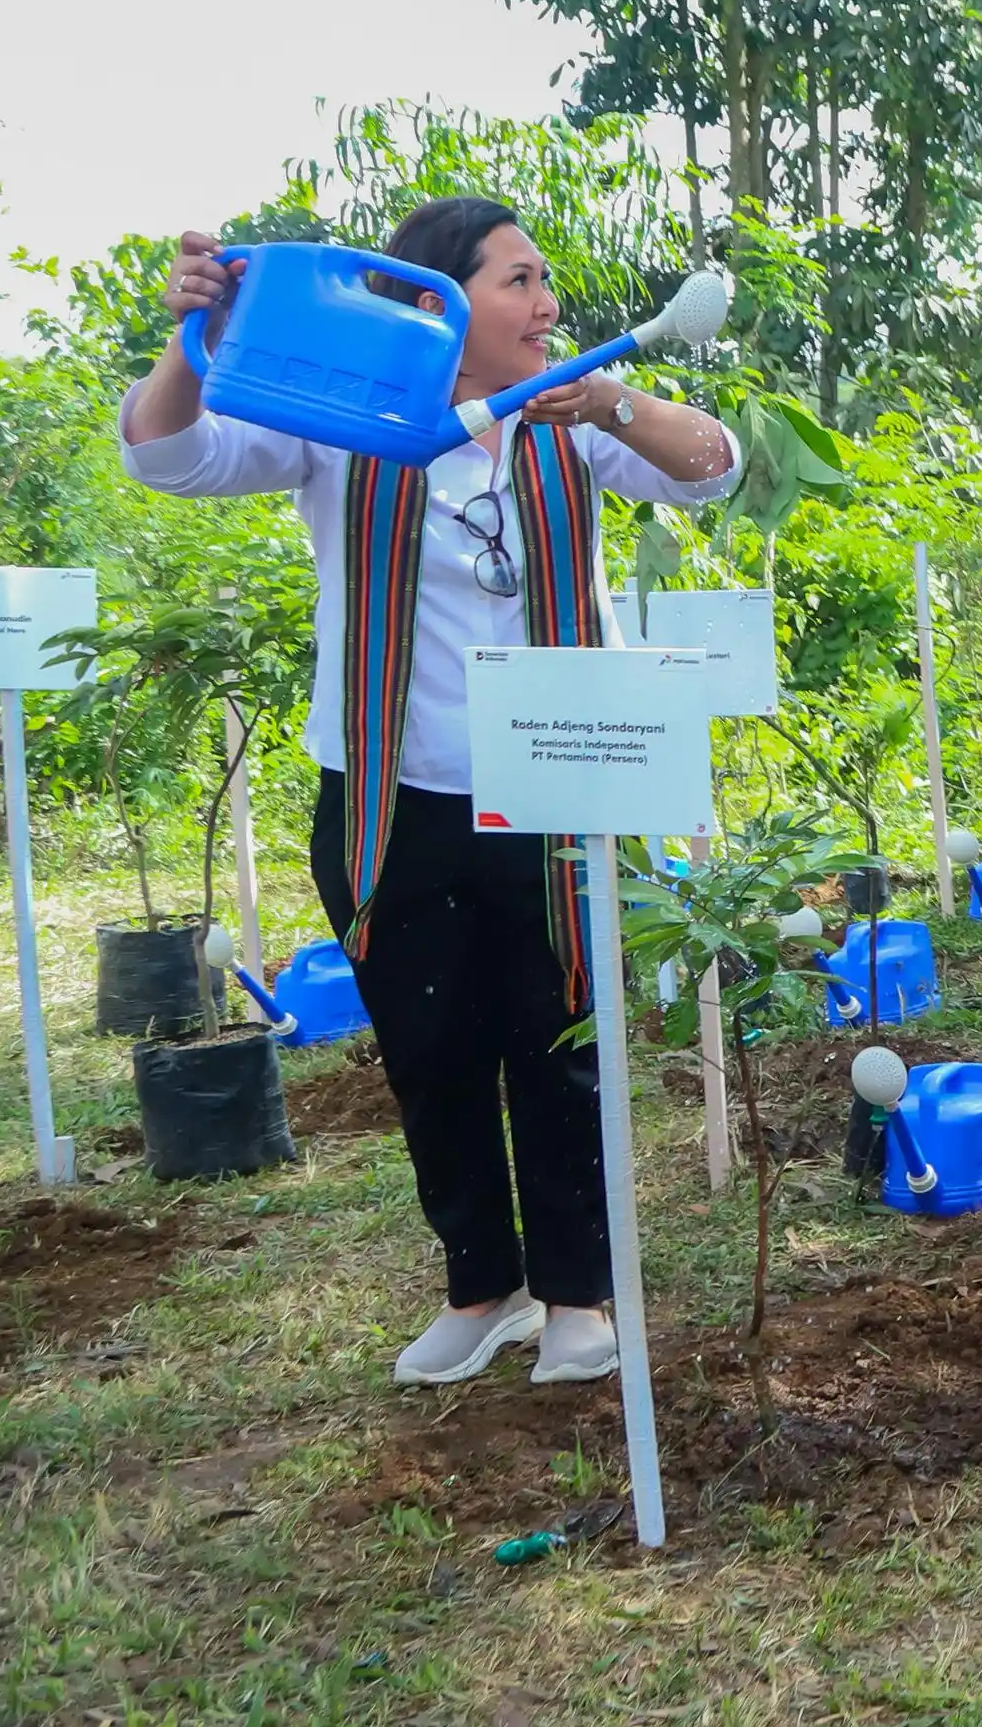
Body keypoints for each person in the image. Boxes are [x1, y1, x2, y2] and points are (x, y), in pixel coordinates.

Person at [122, 203, 741, 1390]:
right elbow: (169, 454)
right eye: (519, 281)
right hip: (389, 798)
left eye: (544, 279)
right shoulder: (348, 420)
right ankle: (480, 1287)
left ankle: (576, 1294)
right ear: (439, 305)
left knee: (557, 1042)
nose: (547, 303)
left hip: (552, 792)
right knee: (428, 1045)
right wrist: (191, 333)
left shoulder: (571, 415)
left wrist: (613, 398)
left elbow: (711, 468)